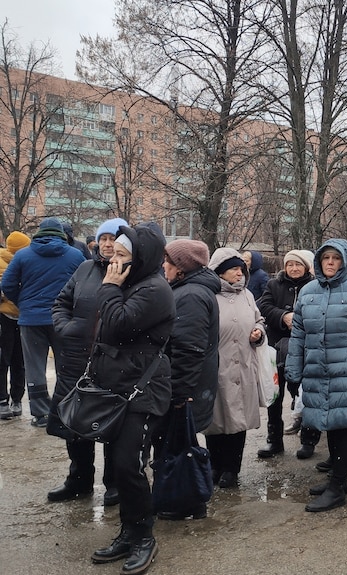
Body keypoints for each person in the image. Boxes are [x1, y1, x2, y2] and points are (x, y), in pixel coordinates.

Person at [88, 223, 174, 575]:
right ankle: (129, 530)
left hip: (143, 389)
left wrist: (109, 288)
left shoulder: (154, 289)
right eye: (113, 255)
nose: (113, 262)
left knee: (129, 463)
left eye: (122, 256)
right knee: (120, 463)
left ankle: (144, 537)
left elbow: (118, 324)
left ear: (140, 259)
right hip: (121, 387)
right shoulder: (135, 283)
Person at [286, 239, 347, 511]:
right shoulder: (307, 292)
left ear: (344, 261)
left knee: (343, 426)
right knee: (328, 421)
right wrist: (293, 372)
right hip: (317, 369)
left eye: (336, 258)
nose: (330, 263)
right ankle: (340, 480)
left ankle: (337, 485)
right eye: (325, 258)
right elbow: (298, 335)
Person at [48, 217, 128, 506]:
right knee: (76, 425)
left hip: (112, 364)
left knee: (112, 425)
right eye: (104, 238)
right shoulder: (84, 269)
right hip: (76, 362)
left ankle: (114, 484)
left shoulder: (132, 274)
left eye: (114, 239)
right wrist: (66, 328)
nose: (108, 245)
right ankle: (79, 480)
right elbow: (61, 303)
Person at [156, 239, 221, 520]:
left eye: (168, 262)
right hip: (192, 384)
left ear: (181, 268)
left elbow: (188, 349)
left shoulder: (191, 295)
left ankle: (188, 500)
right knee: (182, 444)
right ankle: (189, 500)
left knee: (181, 448)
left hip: (187, 387)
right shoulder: (189, 290)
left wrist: (180, 393)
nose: (163, 266)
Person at [1, 217, 86, 426]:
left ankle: (40, 414)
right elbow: (86, 285)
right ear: (62, 234)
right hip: (64, 319)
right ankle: (66, 411)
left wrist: (23, 302)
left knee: (34, 366)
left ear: (39, 233)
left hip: (30, 319)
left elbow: (7, 284)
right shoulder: (76, 256)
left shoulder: (22, 255)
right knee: (65, 365)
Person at [205, 248, 266, 488]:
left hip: (243, 365)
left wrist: (259, 332)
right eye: (233, 269)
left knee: (238, 421)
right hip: (218, 366)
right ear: (220, 272)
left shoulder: (247, 295)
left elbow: (259, 319)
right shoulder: (209, 295)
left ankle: (232, 468)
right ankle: (215, 465)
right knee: (216, 420)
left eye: (241, 269)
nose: (239, 274)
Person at [256, 249, 315, 459]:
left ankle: (308, 440)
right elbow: (263, 305)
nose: (294, 268)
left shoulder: (314, 286)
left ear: (306, 267)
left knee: (307, 393)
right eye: (290, 264)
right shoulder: (274, 284)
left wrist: (300, 320)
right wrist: (283, 316)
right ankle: (274, 441)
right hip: (277, 348)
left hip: (306, 348)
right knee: (275, 395)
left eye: (298, 265)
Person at [0, 231, 29, 420]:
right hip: (21, 316)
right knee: (18, 361)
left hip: (5, 316)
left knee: (5, 360)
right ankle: (15, 400)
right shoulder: (26, 262)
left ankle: (4, 400)